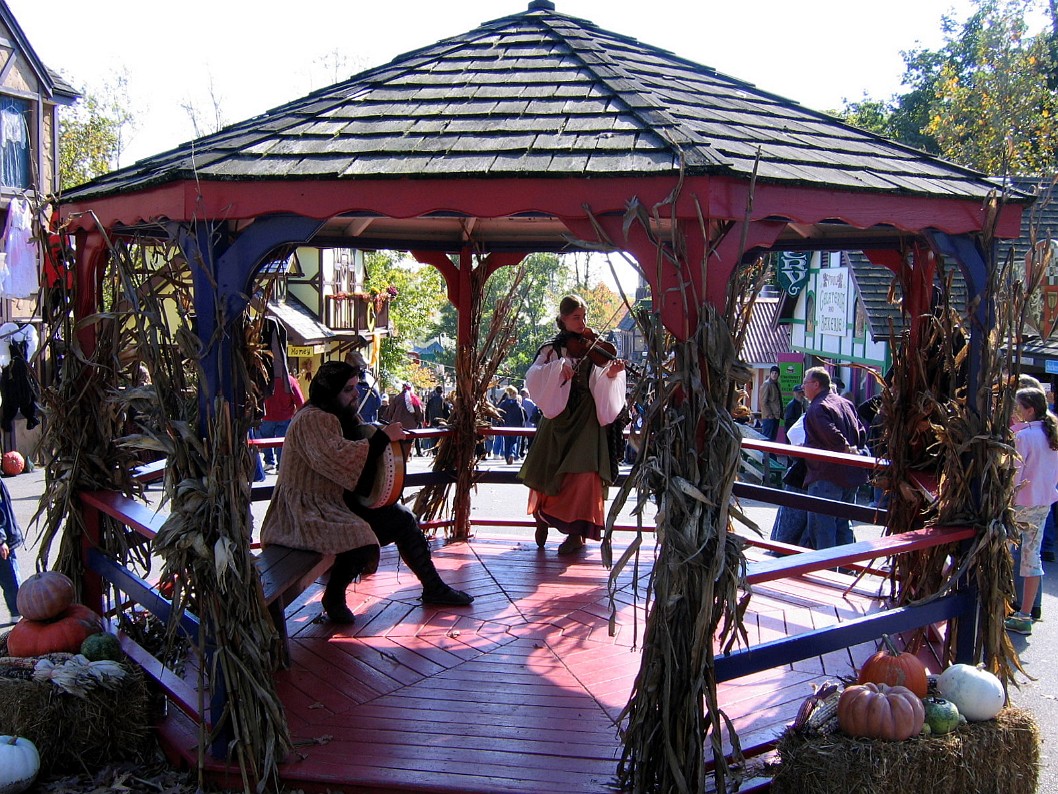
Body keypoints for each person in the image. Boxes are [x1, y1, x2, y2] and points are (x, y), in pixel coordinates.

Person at [260, 361, 473, 624]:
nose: (356, 394)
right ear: (330, 391)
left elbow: (359, 444)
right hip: (304, 511)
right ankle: (334, 597)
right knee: (357, 535)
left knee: (403, 519)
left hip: (333, 501)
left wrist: (379, 435)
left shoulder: (341, 413)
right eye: (348, 389)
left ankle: (434, 587)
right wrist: (383, 437)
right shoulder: (312, 418)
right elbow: (337, 458)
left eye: (355, 387)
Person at [519, 295, 627, 555]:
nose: (583, 323)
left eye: (584, 317)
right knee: (548, 471)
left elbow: (601, 376)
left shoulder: (594, 347)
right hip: (557, 418)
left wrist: (612, 374)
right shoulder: (550, 349)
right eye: (576, 317)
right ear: (563, 319)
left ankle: (576, 534)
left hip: (587, 418)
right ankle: (543, 519)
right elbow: (532, 377)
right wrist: (558, 367)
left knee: (584, 474)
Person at [1005, 387, 1058, 636]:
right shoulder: (1051, 435)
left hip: (1020, 503)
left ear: (1030, 409)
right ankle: (1025, 614)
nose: (1015, 412)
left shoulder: (1024, 437)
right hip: (1043, 502)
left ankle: (1003, 606)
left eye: (1018, 408)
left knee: (1004, 552)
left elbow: (1014, 476)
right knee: (1031, 557)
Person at [801, 366, 869, 550]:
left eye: (805, 383)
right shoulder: (845, 404)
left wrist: (845, 448)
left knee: (822, 527)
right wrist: (854, 451)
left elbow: (833, 436)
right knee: (843, 524)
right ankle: (847, 569)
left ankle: (826, 572)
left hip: (826, 474)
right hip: (851, 474)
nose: (802, 387)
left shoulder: (817, 408)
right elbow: (862, 433)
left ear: (816, 384)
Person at [259, 374, 305, 471]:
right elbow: (300, 400)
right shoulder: (289, 380)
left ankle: (269, 462)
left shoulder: (265, 378)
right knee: (283, 443)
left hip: (267, 416)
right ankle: (280, 466)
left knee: (265, 441)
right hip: (285, 417)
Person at [0, 479, 22, 624]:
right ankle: (18, 611)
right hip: (5, 540)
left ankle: (18, 612)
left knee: (10, 576)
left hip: (8, 536)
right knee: (10, 577)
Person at [386, 382, 425, 456]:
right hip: (410, 427)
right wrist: (418, 421)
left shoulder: (397, 398)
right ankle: (406, 457)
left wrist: (390, 421)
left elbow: (390, 412)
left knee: (399, 445)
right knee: (407, 444)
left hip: (398, 426)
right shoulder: (414, 398)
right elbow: (419, 412)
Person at [497, 386, 527, 465]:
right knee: (514, 442)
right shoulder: (517, 405)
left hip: (505, 426)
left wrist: (500, 424)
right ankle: (512, 453)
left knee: (506, 442)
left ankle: (507, 457)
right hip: (516, 427)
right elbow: (522, 417)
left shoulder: (503, 404)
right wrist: (522, 426)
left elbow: (499, 414)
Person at [759, 365, 783, 442]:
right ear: (770, 374)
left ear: (778, 375)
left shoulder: (777, 384)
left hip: (776, 416)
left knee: (773, 438)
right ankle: (762, 454)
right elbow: (763, 402)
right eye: (772, 373)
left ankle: (771, 454)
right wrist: (769, 415)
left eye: (776, 373)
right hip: (769, 417)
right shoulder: (767, 384)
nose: (774, 375)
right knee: (766, 438)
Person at [519, 387, 538, 458]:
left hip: (522, 425)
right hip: (530, 424)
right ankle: (530, 453)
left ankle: (521, 454)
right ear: (526, 394)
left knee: (521, 440)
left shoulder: (519, 402)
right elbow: (535, 411)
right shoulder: (530, 402)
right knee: (530, 441)